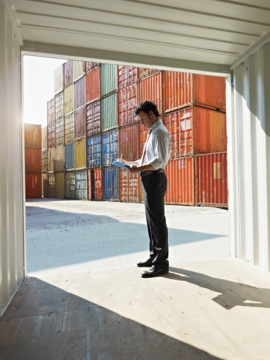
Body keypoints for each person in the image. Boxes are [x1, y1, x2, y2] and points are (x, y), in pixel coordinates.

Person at [118, 100, 171, 278]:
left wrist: (138, 169)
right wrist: (130, 164)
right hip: (149, 179)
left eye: (142, 119)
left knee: (157, 221)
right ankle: (154, 256)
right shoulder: (152, 132)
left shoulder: (160, 132)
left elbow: (160, 161)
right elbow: (147, 160)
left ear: (151, 113)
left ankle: (161, 263)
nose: (141, 123)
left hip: (155, 179)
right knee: (151, 221)